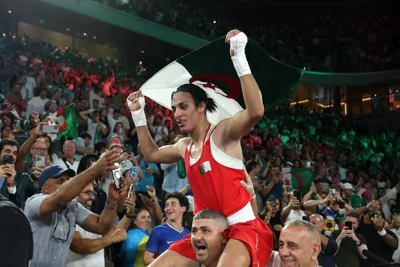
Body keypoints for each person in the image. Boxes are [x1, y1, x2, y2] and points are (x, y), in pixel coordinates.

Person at [127, 29, 273, 267]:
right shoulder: (183, 146)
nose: (177, 114)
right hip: (205, 231)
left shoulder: (223, 133)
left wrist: (238, 56)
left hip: (241, 227)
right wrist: (138, 114)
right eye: (174, 108)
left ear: (201, 106)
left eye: (183, 106)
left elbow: (255, 112)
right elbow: (152, 154)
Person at [23, 150, 126, 267]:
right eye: (60, 181)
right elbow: (59, 198)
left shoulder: (72, 206)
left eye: (68, 180)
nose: (66, 184)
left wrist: (111, 202)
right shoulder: (34, 202)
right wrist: (94, 170)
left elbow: (102, 227)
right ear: (45, 188)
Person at [66, 182, 135, 267]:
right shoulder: (68, 216)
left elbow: (116, 231)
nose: (92, 197)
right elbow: (79, 246)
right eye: (88, 193)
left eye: (93, 193)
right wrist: (111, 239)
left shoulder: (92, 218)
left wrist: (129, 213)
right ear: (75, 194)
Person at [144, 192, 190, 265]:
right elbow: (147, 259)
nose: (168, 208)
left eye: (173, 204)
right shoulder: (158, 231)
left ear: (183, 209)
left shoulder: (188, 234)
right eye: (166, 205)